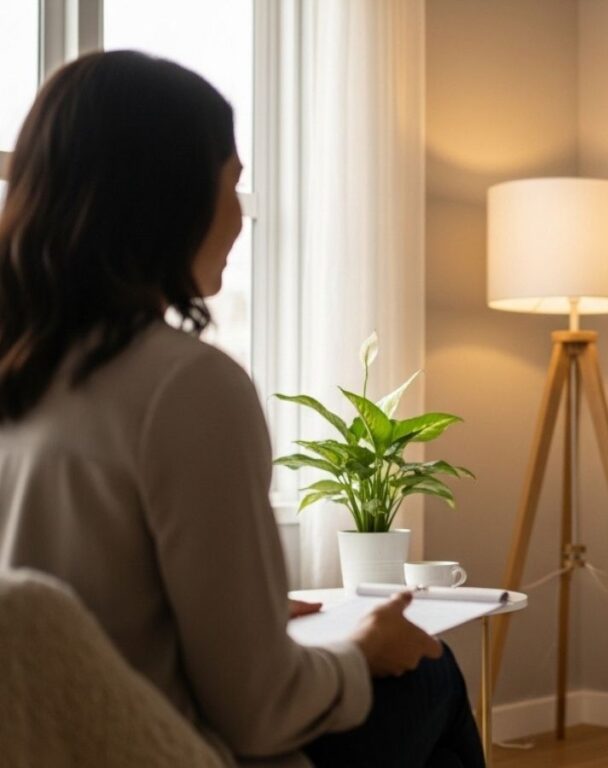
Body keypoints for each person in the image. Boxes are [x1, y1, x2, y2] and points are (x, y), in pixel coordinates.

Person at [0, 51, 483, 768]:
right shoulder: (187, 386)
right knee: (434, 672)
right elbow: (261, 713)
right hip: (159, 748)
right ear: (171, 197)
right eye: (233, 182)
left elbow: (59, 621)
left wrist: (233, 616)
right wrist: (365, 649)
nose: (239, 213)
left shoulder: (26, 369)